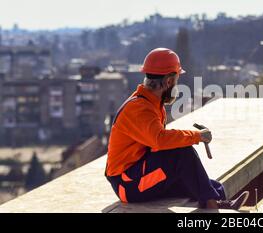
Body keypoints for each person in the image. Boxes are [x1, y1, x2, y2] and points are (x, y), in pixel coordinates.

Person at [105, 48, 249, 209]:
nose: (176, 85)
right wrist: (197, 136)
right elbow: (159, 140)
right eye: (176, 80)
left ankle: (219, 202)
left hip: (137, 178)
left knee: (209, 186)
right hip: (128, 185)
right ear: (168, 82)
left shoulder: (151, 103)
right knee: (183, 152)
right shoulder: (140, 108)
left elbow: (158, 145)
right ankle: (213, 205)